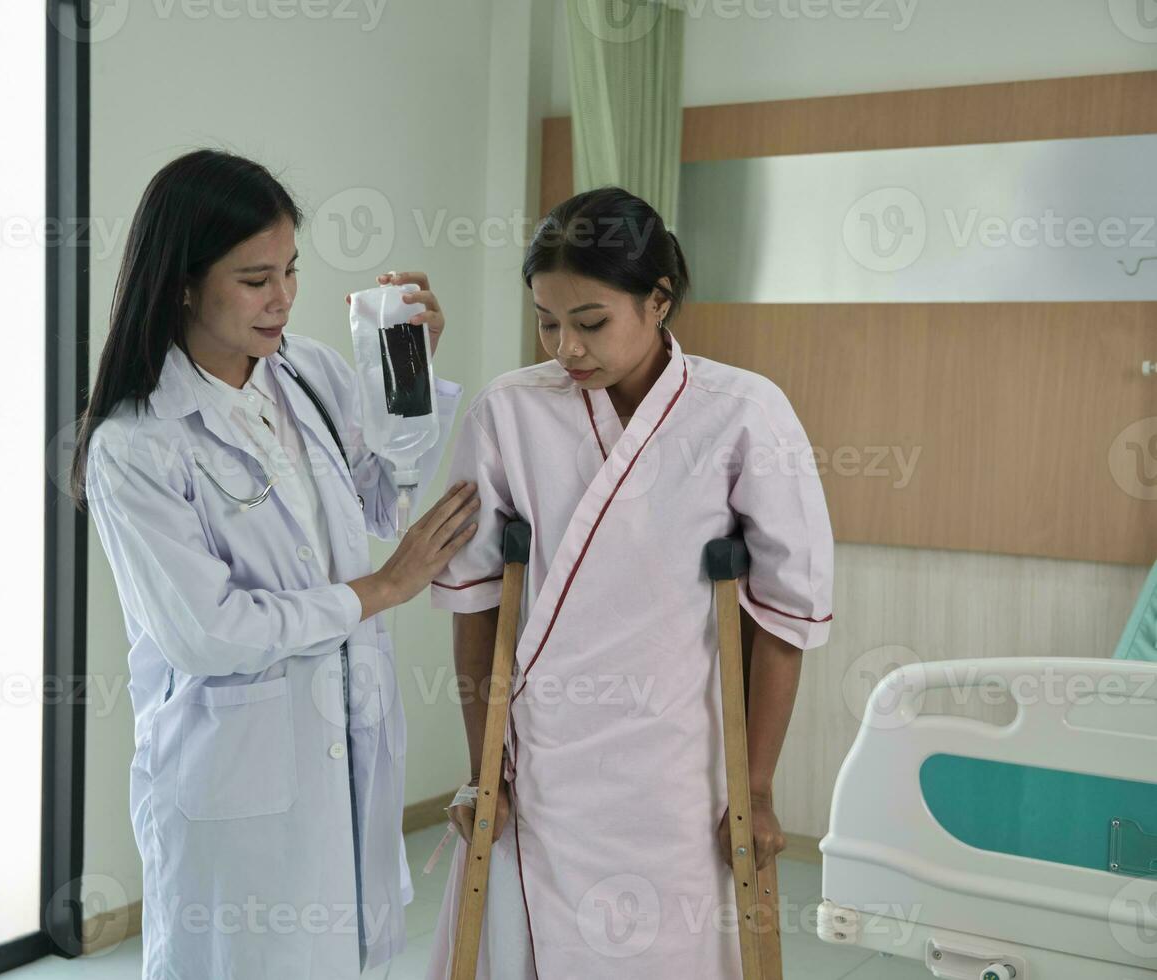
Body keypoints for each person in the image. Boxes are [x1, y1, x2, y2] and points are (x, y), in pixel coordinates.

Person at [69, 148, 481, 979]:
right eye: (256, 278)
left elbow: (381, 499)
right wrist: (378, 590)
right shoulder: (137, 444)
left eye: (291, 270)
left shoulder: (311, 374)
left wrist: (408, 371)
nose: (284, 297)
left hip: (339, 748)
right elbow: (209, 635)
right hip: (234, 787)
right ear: (183, 282)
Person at [426, 187, 834, 978]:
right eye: (547, 321)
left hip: (678, 766)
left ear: (659, 300)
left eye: (590, 322)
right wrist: (484, 775)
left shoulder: (744, 412)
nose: (565, 348)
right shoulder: (509, 412)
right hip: (542, 762)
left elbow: (785, 617)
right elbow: (476, 603)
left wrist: (757, 786)